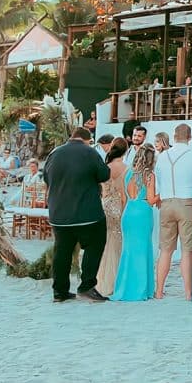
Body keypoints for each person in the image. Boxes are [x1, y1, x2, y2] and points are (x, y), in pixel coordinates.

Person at [44, 127, 111, 302]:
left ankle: (59, 291)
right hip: (87, 214)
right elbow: (104, 175)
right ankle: (87, 285)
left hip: (58, 213)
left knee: (62, 251)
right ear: (87, 140)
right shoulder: (89, 152)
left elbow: (46, 178)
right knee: (95, 245)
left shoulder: (54, 153)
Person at [154, 123, 192, 300]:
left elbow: (158, 181)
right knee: (187, 251)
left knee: (165, 250)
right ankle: (188, 293)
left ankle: (159, 290)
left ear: (174, 137)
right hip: (187, 203)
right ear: (190, 137)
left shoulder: (163, 157)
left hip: (167, 202)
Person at [111, 143, 158, 301]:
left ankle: (125, 287)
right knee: (142, 250)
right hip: (142, 213)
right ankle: (140, 289)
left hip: (129, 212)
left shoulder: (128, 173)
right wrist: (163, 195)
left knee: (129, 251)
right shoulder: (149, 175)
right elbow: (151, 200)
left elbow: (124, 197)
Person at [96, 137, 128, 296]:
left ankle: (101, 280)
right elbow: (124, 195)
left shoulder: (105, 167)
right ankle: (115, 280)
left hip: (104, 205)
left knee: (104, 243)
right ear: (126, 151)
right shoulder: (126, 169)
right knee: (117, 243)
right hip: (118, 206)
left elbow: (102, 190)